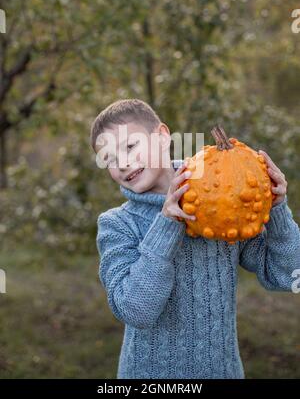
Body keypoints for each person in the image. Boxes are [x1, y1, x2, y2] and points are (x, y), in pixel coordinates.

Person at [90, 98, 300, 379]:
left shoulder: (222, 201)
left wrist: (277, 208)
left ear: (162, 137)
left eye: (130, 146)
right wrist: (167, 223)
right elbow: (136, 310)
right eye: (111, 159)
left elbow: (286, 274)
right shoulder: (116, 225)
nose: (124, 163)